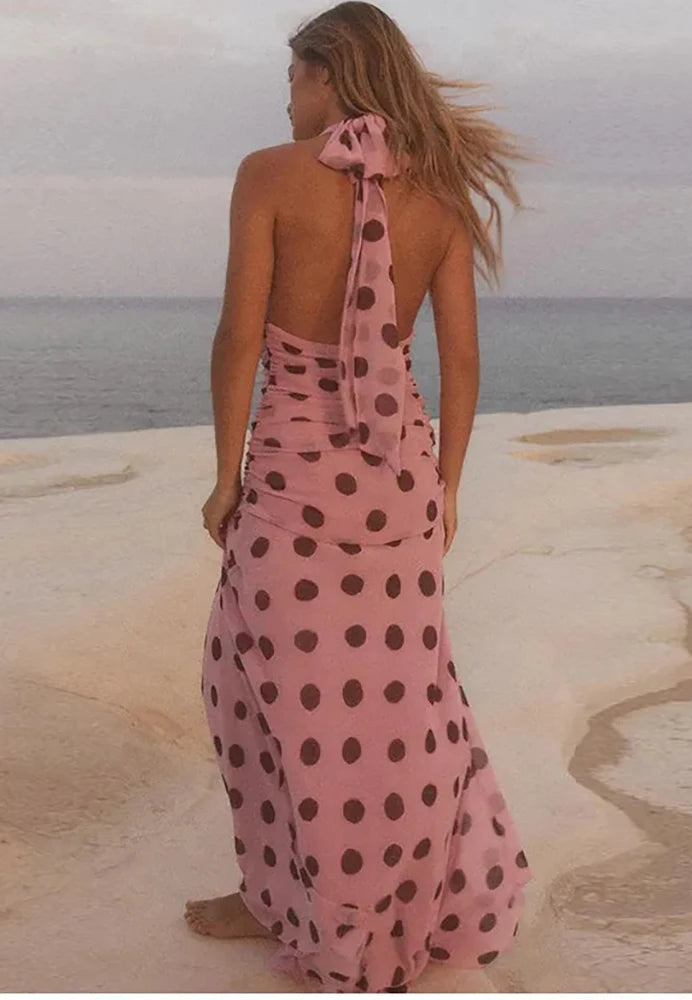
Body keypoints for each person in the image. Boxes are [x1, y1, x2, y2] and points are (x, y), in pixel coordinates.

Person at [186, 2, 537, 993]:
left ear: (333, 74)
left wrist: (225, 474)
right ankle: (366, 907)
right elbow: (460, 361)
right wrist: (450, 488)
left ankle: (284, 898)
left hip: (294, 481)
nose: (286, 97)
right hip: (400, 483)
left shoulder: (268, 175)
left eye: (294, 77)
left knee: (256, 693)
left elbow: (238, 340)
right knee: (398, 710)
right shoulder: (445, 190)